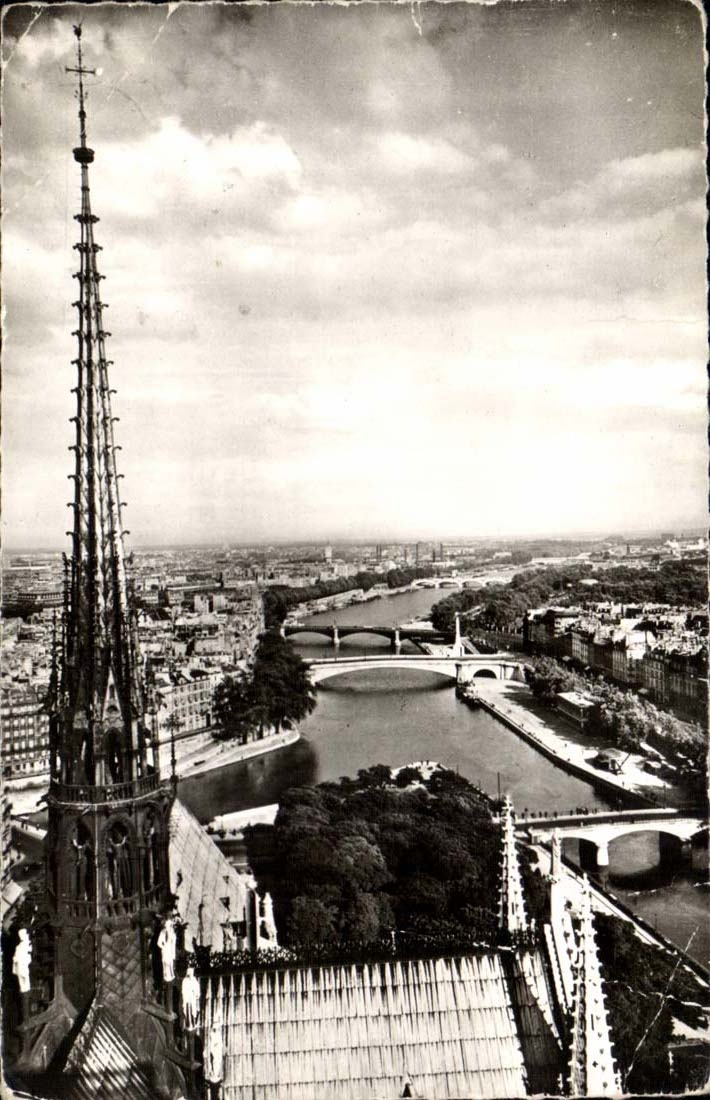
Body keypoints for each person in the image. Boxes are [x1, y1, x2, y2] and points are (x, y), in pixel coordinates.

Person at [157, 916, 177, 983]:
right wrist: (163, 947)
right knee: (165, 965)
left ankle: (170, 975)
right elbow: (159, 943)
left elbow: (173, 944)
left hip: (170, 952)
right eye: (166, 924)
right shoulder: (162, 932)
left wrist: (173, 954)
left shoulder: (173, 934)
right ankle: (166, 976)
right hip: (165, 952)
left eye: (169, 924)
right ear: (165, 925)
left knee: (170, 965)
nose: (167, 926)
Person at [181, 966, 200, 1032]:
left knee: (193, 1011)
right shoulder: (185, 980)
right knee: (187, 1010)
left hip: (192, 998)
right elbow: (183, 990)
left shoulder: (194, 980)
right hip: (187, 998)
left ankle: (193, 1024)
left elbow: (197, 989)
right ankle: (188, 1024)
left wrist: (195, 993)